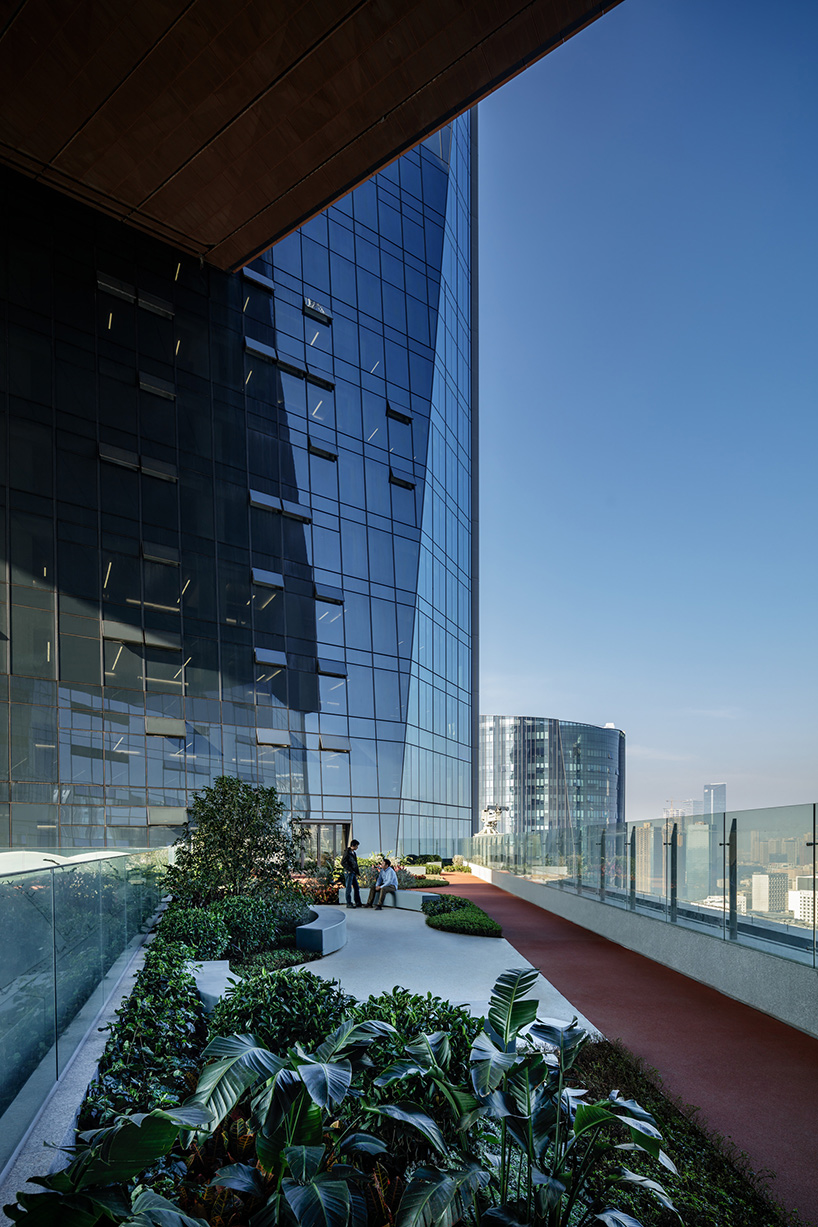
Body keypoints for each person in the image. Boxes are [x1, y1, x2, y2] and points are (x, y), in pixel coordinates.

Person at [341, 839, 361, 908]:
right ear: (353, 846)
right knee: (348, 888)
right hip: (349, 872)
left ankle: (358, 902)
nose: (357, 847)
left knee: (356, 887)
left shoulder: (353, 853)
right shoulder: (347, 852)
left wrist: (357, 872)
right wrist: (349, 870)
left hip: (353, 873)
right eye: (356, 846)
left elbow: (355, 863)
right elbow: (343, 862)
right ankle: (349, 903)